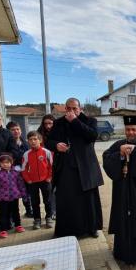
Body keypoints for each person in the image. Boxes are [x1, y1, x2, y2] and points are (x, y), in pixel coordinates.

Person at [103, 115, 136, 265]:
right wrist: (120, 154)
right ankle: (123, 251)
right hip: (122, 192)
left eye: (134, 129)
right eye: (128, 129)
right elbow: (106, 159)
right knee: (123, 219)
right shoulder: (118, 145)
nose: (130, 132)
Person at [46, 98, 104, 238]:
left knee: (89, 200)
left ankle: (92, 228)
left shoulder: (90, 121)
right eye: (69, 108)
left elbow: (92, 136)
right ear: (65, 109)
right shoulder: (58, 123)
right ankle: (70, 231)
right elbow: (48, 141)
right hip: (66, 167)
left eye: (75, 108)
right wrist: (56, 146)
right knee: (69, 200)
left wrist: (75, 121)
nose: (71, 111)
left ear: (80, 108)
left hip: (86, 167)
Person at [0, 153, 27, 238]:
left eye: (7, 162)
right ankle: (3, 230)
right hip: (2, 198)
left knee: (16, 211)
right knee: (3, 214)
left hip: (14, 196)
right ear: (0, 163)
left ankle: (18, 225)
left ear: (11, 163)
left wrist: (24, 195)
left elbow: (20, 184)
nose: (5, 164)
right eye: (3, 162)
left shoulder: (15, 172)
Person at [21, 131, 53, 230]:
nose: (33, 141)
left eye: (35, 139)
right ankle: (37, 220)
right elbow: (23, 168)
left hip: (45, 181)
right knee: (35, 202)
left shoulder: (46, 152)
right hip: (33, 182)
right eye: (30, 140)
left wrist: (49, 177)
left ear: (40, 140)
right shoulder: (26, 154)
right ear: (28, 141)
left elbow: (52, 166)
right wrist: (28, 179)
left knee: (47, 200)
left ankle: (48, 217)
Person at [6, 121, 32, 217]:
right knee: (13, 194)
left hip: (25, 171)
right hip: (12, 173)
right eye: (13, 130)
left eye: (18, 129)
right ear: (8, 131)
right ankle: (13, 215)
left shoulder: (26, 142)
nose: (16, 131)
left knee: (27, 192)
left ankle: (29, 210)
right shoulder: (7, 143)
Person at [38, 114, 57, 218]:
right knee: (50, 190)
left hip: (58, 165)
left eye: (50, 123)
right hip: (46, 167)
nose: (48, 126)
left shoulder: (59, 133)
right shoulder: (40, 134)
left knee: (58, 190)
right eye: (46, 123)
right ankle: (52, 211)